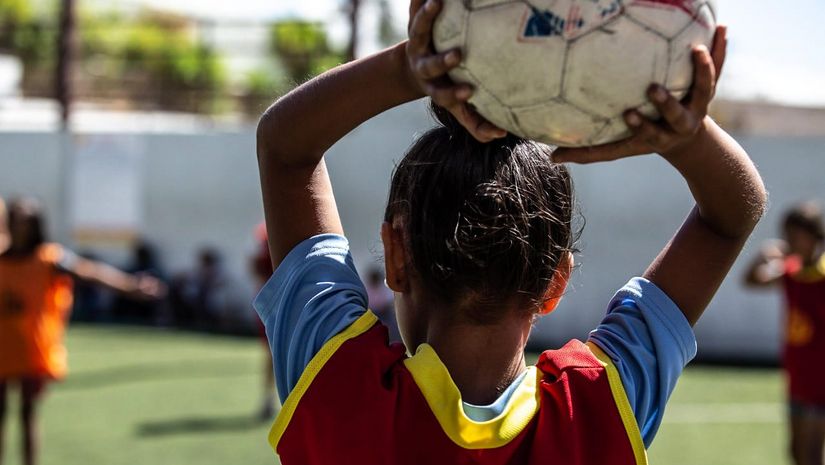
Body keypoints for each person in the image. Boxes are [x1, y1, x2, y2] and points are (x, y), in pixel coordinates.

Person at [253, 1, 766, 462]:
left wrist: (407, 67)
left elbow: (284, 148)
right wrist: (683, 136)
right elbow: (732, 217)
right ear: (555, 283)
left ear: (396, 255)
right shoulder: (599, 406)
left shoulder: (340, 389)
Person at [0, 197, 164, 465]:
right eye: (17, 221)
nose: (21, 228)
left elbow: (90, 271)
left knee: (28, 413)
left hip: (32, 349)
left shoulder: (50, 257)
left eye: (26, 222)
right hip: (3, 347)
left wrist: (129, 286)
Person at [745, 202, 825, 465]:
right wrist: (762, 255)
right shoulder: (790, 270)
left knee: (812, 453)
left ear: (813, 236)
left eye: (795, 234)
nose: (789, 240)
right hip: (798, 375)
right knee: (796, 452)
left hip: (821, 379)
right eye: (787, 234)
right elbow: (752, 280)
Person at [250, 222, 277, 419]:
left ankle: (269, 399)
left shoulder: (260, 258)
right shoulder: (266, 257)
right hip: (276, 309)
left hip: (269, 309)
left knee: (271, 357)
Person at [365, 267, 399, 342]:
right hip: (374, 314)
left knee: (392, 326)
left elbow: (389, 299)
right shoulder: (368, 290)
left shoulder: (383, 288)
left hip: (385, 313)